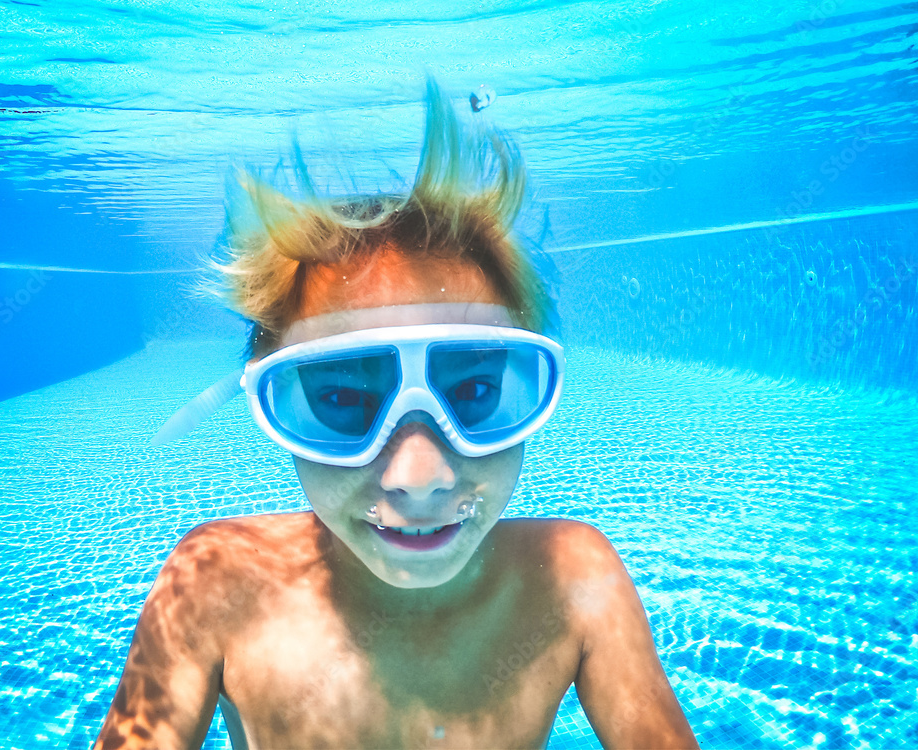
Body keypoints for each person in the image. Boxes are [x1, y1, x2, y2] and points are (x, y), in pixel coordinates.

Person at [95, 80, 698, 750]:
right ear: (271, 405)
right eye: (343, 399)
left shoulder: (574, 580)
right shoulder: (217, 584)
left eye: (474, 391)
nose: (419, 477)